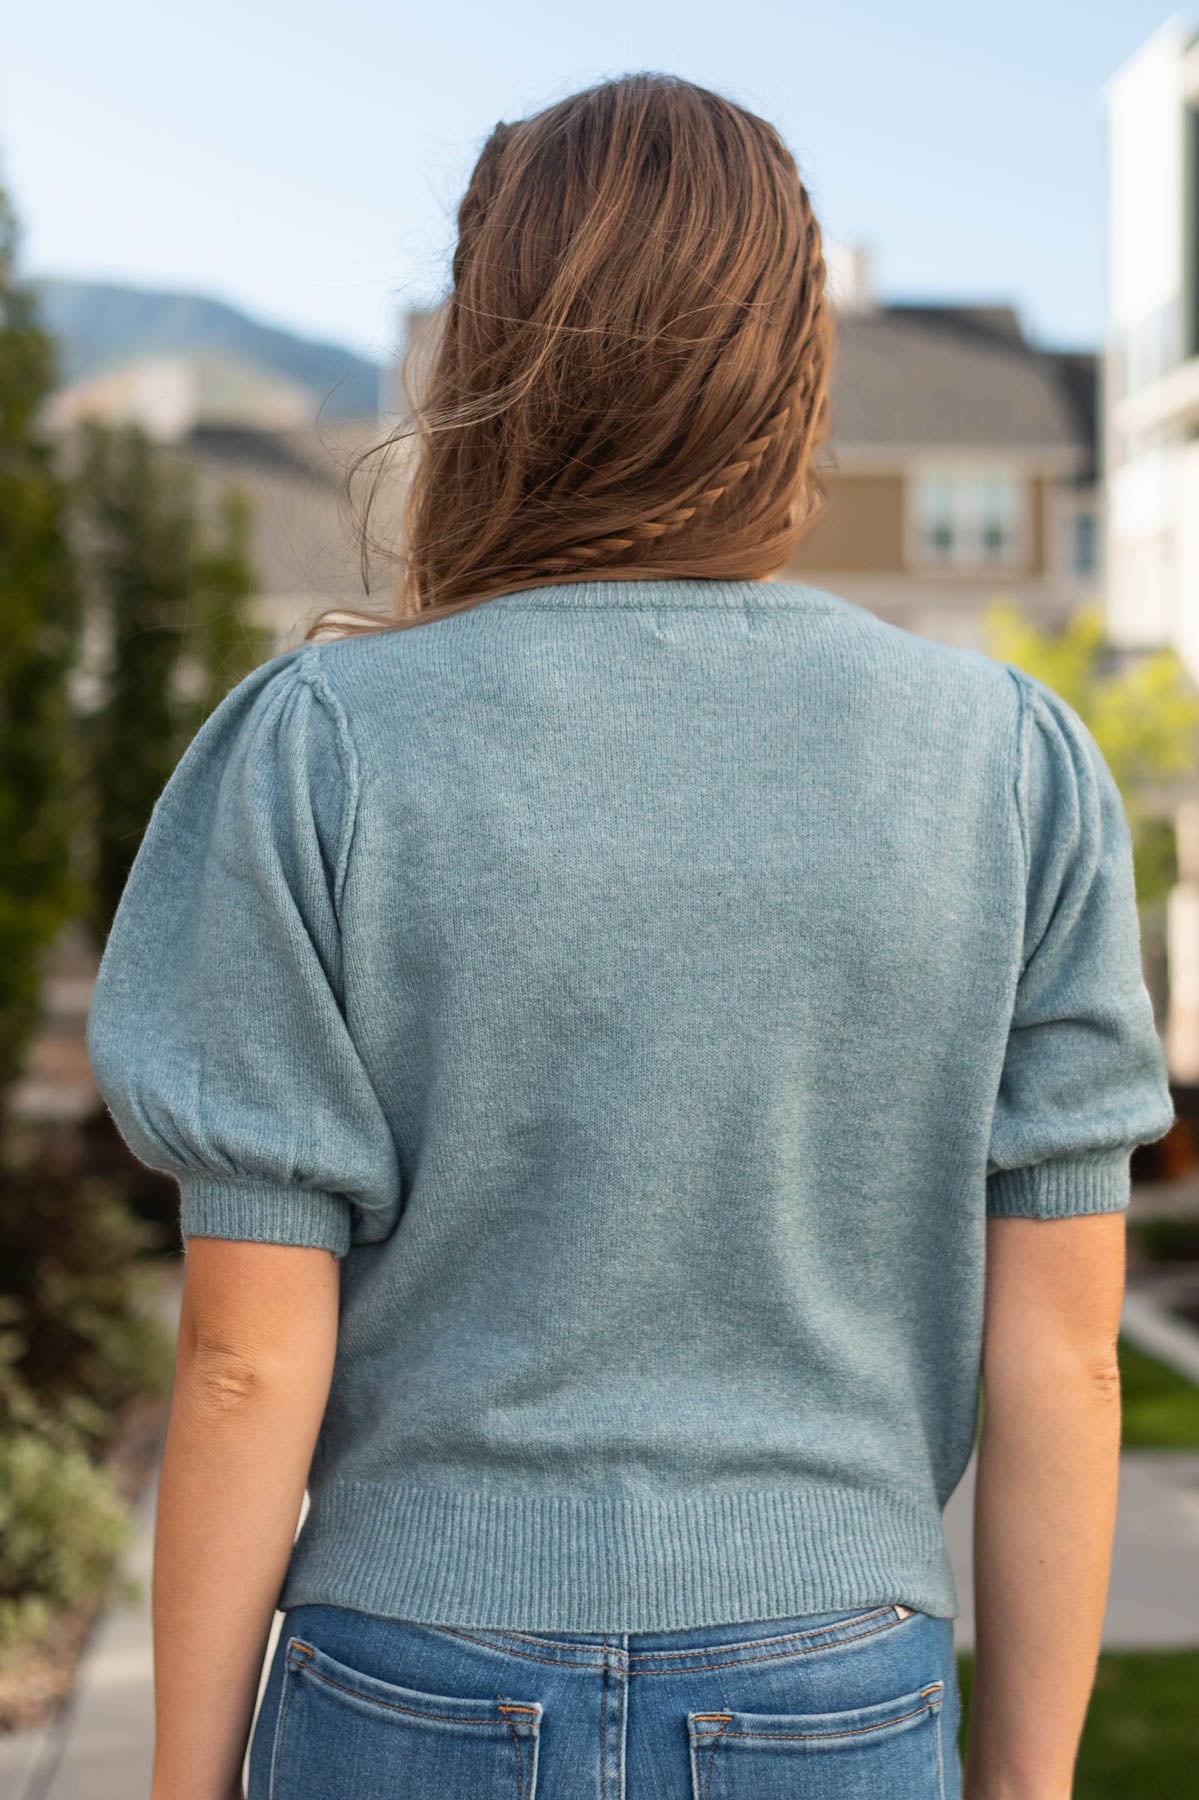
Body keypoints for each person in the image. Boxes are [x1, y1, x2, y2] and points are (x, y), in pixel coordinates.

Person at [85, 72, 1175, 1800]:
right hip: (832, 1679)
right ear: (791, 368)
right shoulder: (1010, 773)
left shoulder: (322, 750)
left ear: (486, 359)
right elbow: (1062, 1360)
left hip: (403, 1678)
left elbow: (239, 1367)